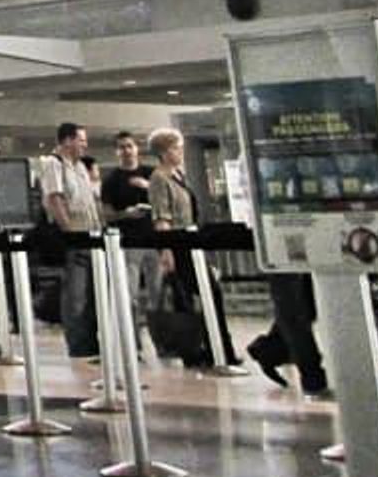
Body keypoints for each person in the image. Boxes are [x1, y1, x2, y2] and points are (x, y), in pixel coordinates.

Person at [146, 127, 239, 367]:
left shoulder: (178, 175)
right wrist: (166, 251)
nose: (180, 152)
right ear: (164, 152)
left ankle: (212, 347)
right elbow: (161, 218)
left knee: (204, 294)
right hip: (178, 245)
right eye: (176, 148)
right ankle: (210, 349)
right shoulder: (159, 179)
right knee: (201, 294)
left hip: (190, 243)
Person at [39, 122, 102, 358]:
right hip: (73, 237)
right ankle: (78, 345)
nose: (85, 145)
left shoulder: (81, 167)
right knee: (75, 293)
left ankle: (92, 341)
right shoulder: (53, 164)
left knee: (90, 294)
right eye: (81, 140)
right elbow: (54, 199)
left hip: (89, 235)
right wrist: (69, 231)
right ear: (67, 141)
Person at [101, 131, 156, 352]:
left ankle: (164, 340)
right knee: (128, 295)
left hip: (154, 240)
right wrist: (126, 214)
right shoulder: (112, 180)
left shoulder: (151, 174)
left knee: (158, 292)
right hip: (128, 242)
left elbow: (165, 201)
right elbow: (107, 214)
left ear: (137, 148)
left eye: (130, 146)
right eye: (122, 147)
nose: (127, 151)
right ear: (116, 151)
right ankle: (133, 345)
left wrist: (147, 187)